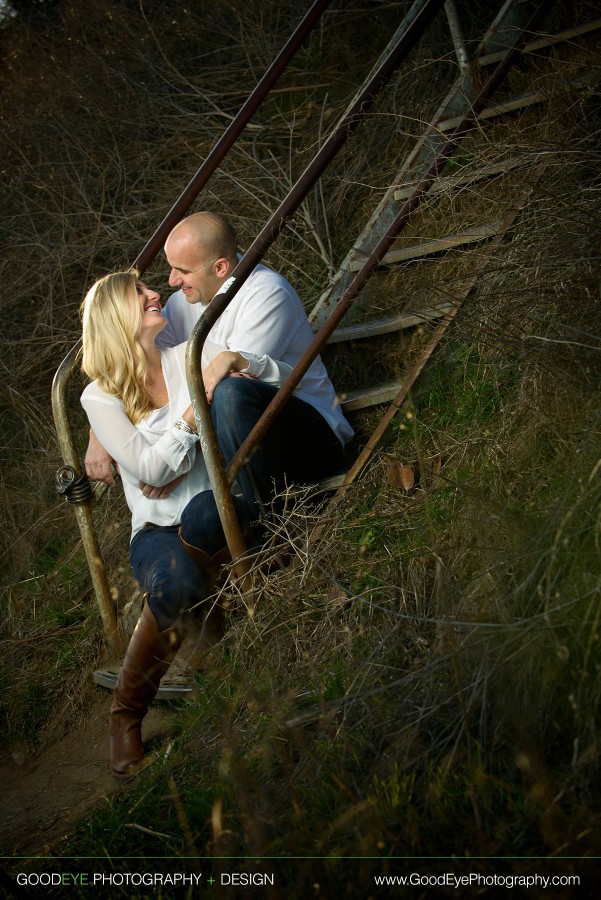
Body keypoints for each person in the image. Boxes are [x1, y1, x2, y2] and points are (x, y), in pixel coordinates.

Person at [80, 271, 292, 779]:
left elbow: (281, 376)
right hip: (153, 534)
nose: (156, 294)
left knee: (204, 512)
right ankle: (126, 715)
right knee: (172, 581)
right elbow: (152, 473)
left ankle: (205, 619)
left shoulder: (188, 357)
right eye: (141, 294)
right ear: (115, 317)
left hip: (212, 514)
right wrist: (191, 424)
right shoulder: (98, 399)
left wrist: (236, 360)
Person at [85, 212, 354, 523]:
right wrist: (100, 429)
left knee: (230, 392)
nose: (171, 281)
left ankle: (271, 527)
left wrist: (177, 464)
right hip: (246, 444)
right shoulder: (180, 304)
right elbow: (135, 362)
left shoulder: (265, 295)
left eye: (181, 270)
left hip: (308, 434)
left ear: (221, 268)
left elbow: (232, 394)